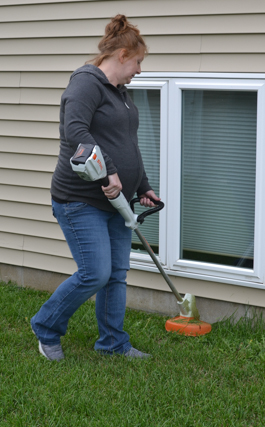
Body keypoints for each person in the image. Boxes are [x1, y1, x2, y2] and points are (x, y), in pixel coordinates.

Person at [30, 14, 160, 361]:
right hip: (80, 200)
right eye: (138, 62)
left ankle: (113, 343)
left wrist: (142, 185)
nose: (139, 70)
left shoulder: (121, 93)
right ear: (121, 55)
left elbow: (128, 142)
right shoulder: (85, 84)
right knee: (96, 273)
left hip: (117, 201)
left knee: (116, 275)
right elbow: (75, 133)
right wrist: (110, 173)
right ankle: (46, 326)